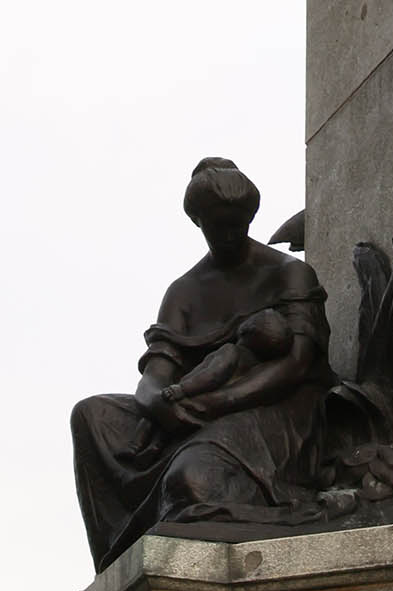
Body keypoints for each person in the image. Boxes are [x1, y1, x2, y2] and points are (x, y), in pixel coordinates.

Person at [70, 159, 336, 569]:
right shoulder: (184, 292)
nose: (230, 235)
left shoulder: (289, 273)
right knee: (91, 415)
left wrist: (217, 403)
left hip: (276, 408)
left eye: (238, 224)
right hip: (192, 411)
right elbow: (155, 376)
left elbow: (297, 363)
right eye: (218, 225)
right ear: (197, 221)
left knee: (192, 481)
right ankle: (117, 560)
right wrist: (158, 403)